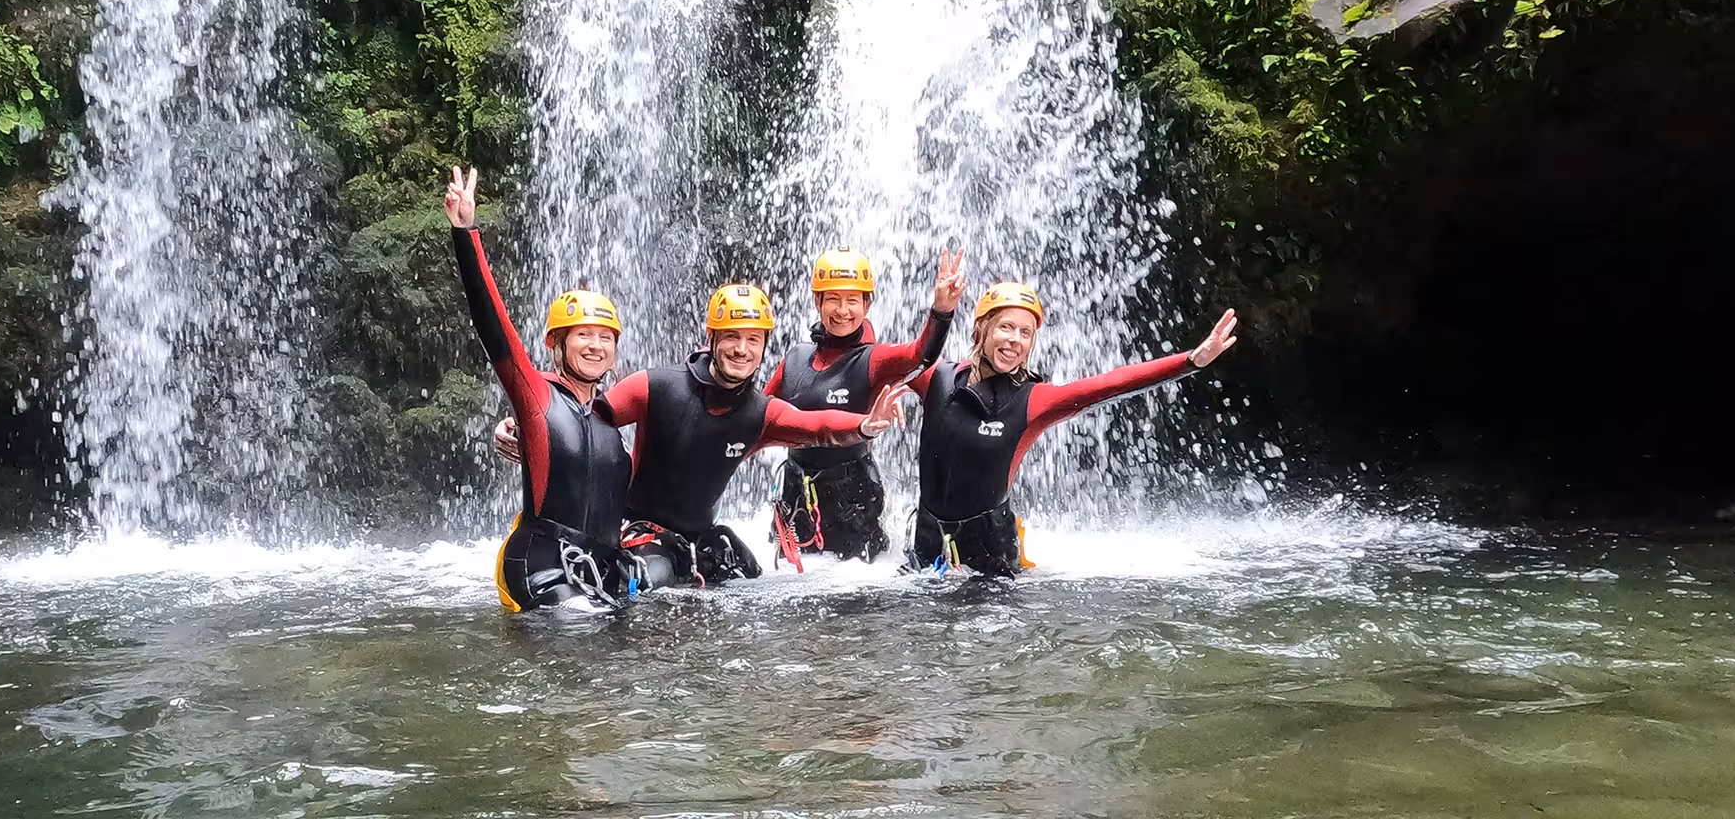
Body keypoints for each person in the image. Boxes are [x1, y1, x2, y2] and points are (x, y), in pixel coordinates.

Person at [497, 283, 912, 590]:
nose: (742, 350)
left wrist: (863, 425)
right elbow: (580, 413)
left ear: (765, 347)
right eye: (731, 337)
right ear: (711, 338)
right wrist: (523, 428)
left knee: (759, 588)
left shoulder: (759, 413)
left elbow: (816, 427)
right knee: (644, 586)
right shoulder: (656, 387)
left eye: (754, 340)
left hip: (704, 539)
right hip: (643, 534)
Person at [904, 283, 1241, 577]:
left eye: (1025, 333)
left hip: (990, 557)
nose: (1015, 341)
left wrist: (1190, 361)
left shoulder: (1035, 400)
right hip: (928, 541)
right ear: (981, 329)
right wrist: (940, 313)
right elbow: (883, 364)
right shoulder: (935, 378)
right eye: (1006, 327)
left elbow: (1110, 385)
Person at [445, 166, 633, 612]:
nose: (595, 345)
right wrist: (466, 233)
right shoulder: (536, 394)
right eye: (582, 335)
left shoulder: (612, 417)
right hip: (542, 563)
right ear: (557, 344)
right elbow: (493, 326)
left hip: (600, 566)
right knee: (584, 629)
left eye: (605, 337)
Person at [762, 247, 965, 567]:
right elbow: (756, 415)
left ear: (867, 305)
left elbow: (919, 356)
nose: (843, 310)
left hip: (852, 497)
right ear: (817, 302)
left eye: (853, 300)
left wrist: (941, 312)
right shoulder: (796, 359)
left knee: (851, 596)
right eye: (833, 299)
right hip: (796, 491)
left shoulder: (874, 359)